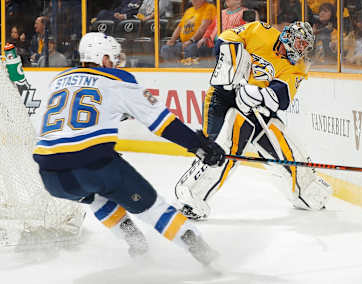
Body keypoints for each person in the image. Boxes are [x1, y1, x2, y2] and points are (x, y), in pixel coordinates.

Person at [32, 32, 225, 265]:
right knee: (153, 208)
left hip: (51, 175)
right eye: (112, 58)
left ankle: (136, 244)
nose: (115, 63)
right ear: (103, 59)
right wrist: (200, 146)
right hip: (93, 165)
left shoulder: (59, 79)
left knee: (96, 197)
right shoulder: (118, 79)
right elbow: (163, 123)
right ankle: (207, 256)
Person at [174, 21, 333, 220]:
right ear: (289, 37)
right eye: (300, 43)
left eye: (305, 47)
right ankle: (190, 196)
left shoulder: (297, 66)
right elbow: (226, 38)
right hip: (223, 100)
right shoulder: (261, 31)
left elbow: (282, 97)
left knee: (282, 145)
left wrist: (258, 94)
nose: (302, 50)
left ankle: (306, 190)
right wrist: (233, 72)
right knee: (220, 150)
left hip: (256, 109)